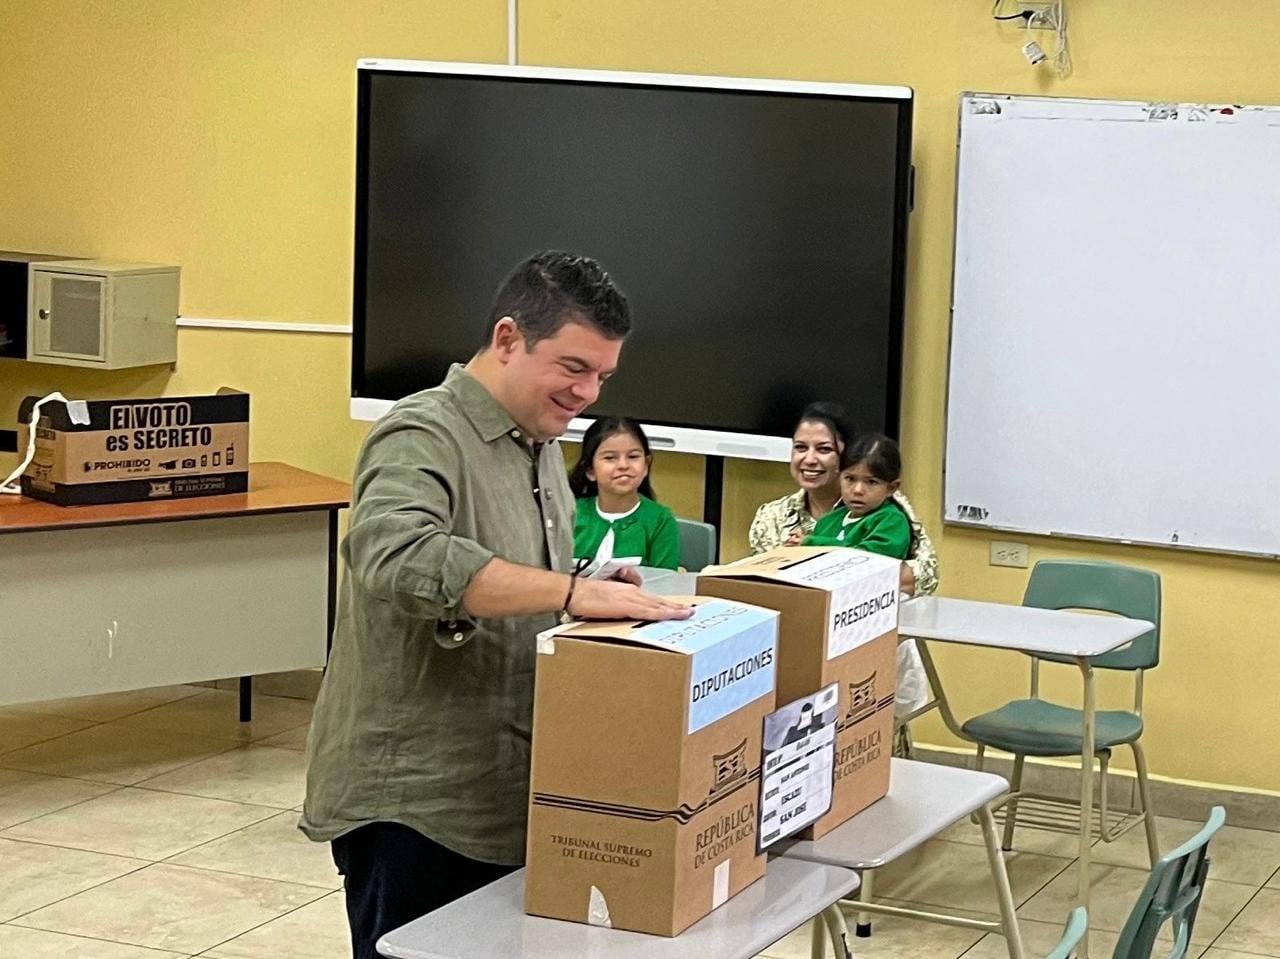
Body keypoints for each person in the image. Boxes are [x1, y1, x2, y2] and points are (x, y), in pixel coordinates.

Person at [300, 251, 693, 959]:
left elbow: (512, 567)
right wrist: (569, 590)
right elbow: (398, 555)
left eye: (602, 376)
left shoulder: (540, 444)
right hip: (418, 805)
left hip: (506, 793)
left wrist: (589, 582)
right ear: (508, 338)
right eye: (573, 368)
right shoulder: (420, 432)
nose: (587, 392)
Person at [748, 401, 938, 595]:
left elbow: (926, 575)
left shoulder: (889, 509)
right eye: (800, 447)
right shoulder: (771, 516)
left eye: (824, 449)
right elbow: (758, 583)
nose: (810, 459)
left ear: (847, 456)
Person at [569, 416, 680, 571]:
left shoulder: (661, 520)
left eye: (633, 456)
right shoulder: (570, 513)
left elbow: (665, 581)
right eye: (610, 458)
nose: (623, 465)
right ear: (590, 470)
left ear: (646, 466)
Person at [803, 432, 912, 559]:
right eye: (850, 479)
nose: (858, 490)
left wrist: (812, 543)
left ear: (891, 488)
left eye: (872, 482)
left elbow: (867, 559)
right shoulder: (828, 521)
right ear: (839, 476)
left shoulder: (891, 521)